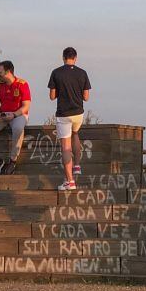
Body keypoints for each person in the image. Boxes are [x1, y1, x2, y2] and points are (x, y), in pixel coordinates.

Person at [48, 47, 91, 191]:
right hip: (78, 113)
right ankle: (77, 165)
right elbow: (86, 97)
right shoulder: (82, 73)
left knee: (66, 147)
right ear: (75, 58)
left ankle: (70, 182)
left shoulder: (56, 73)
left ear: (63, 57)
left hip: (64, 114)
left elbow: (52, 96)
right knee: (75, 133)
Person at [0, 60, 31, 176]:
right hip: (3, 115)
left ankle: (12, 160)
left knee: (18, 128)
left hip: (18, 115)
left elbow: (26, 106)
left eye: (0, 72)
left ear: (8, 72)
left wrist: (14, 115)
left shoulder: (22, 84)